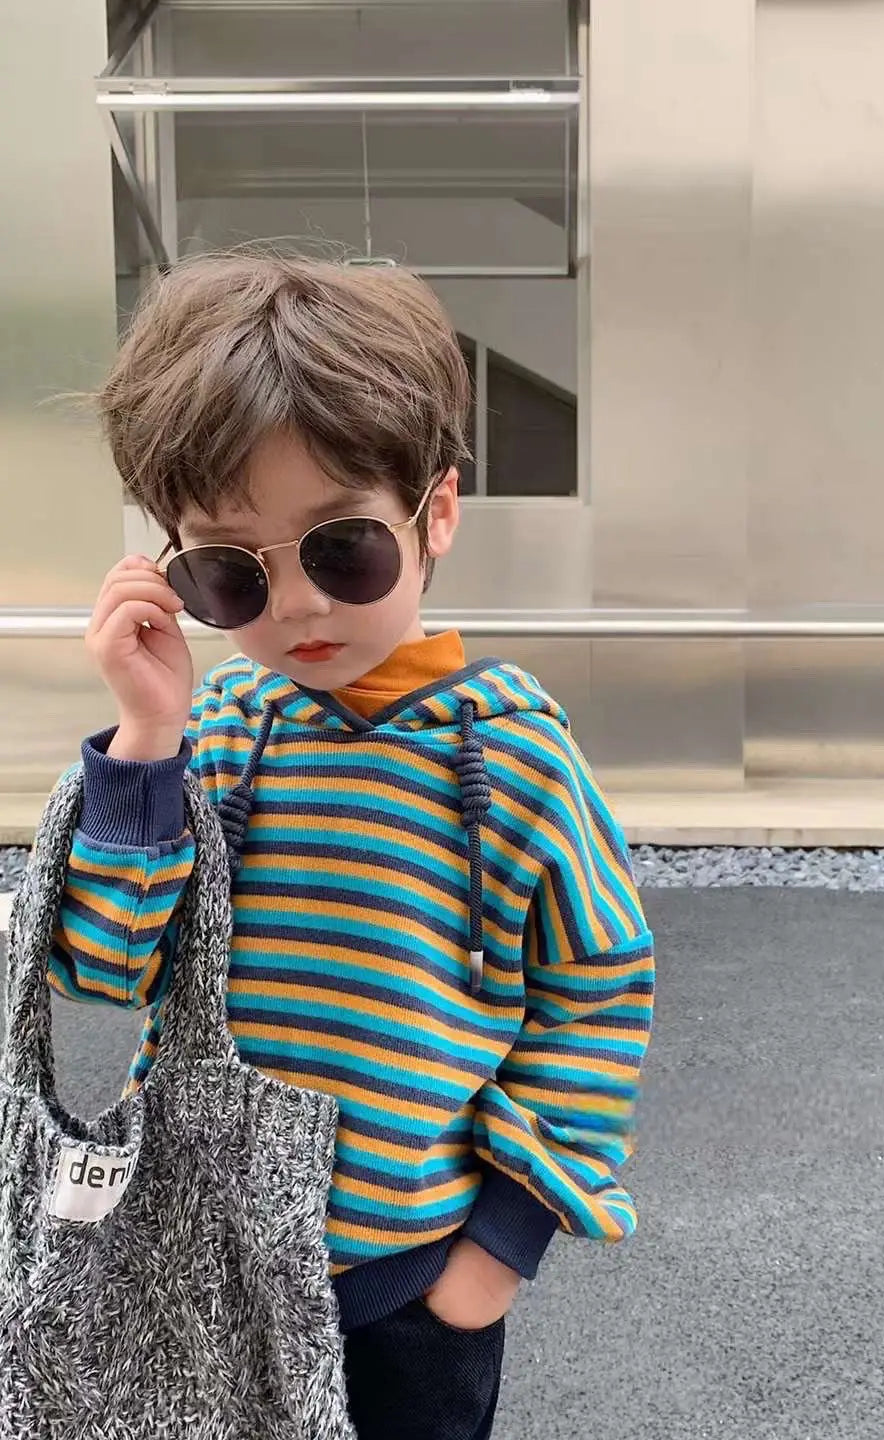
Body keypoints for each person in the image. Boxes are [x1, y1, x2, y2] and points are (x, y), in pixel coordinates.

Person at [49, 253, 655, 1440]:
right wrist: (146, 739)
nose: (299, 606)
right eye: (230, 570)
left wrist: (498, 1249)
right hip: (204, 1268)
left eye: (343, 547)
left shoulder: (514, 762)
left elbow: (599, 991)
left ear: (436, 512)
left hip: (409, 1286)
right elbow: (99, 987)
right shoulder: (207, 744)